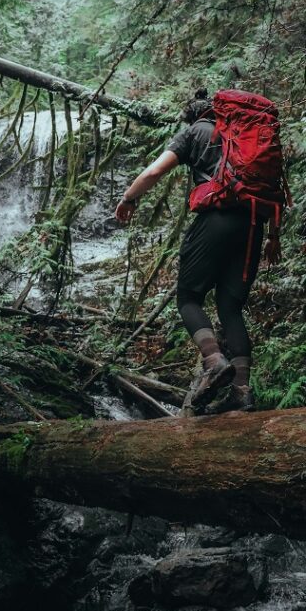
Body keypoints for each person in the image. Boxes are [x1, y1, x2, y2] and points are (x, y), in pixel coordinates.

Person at [114, 90, 264, 415]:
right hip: (253, 225)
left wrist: (128, 199)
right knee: (231, 308)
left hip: (217, 218)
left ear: (193, 117)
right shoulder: (245, 136)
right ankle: (242, 392)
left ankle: (213, 362)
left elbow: (154, 172)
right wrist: (275, 236)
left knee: (188, 298)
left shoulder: (196, 131)